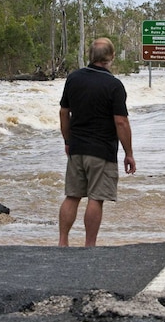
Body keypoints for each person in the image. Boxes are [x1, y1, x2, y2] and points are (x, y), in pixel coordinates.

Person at [58, 37, 136, 246]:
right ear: (110, 58)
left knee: (72, 195)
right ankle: (89, 244)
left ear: (90, 57)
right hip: (102, 150)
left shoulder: (73, 79)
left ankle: (62, 242)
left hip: (77, 148)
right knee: (96, 197)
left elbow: (64, 113)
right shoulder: (114, 85)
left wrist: (67, 140)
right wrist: (129, 153)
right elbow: (121, 122)